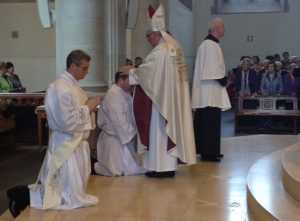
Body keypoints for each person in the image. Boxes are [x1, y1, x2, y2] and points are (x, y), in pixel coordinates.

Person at [129, 4, 196, 178]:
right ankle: (168, 166)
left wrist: (132, 73)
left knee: (158, 131)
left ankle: (161, 168)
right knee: (165, 131)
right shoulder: (175, 46)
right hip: (172, 98)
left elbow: (148, 73)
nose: (147, 39)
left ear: (157, 33)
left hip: (161, 100)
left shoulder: (160, 52)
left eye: (148, 35)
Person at [29, 50, 101, 210]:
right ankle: (66, 197)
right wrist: (88, 107)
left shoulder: (72, 85)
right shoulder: (60, 88)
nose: (87, 72)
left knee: (76, 179)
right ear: (73, 66)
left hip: (75, 141)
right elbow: (65, 122)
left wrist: (88, 106)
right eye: (84, 68)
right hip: (66, 141)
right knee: (66, 182)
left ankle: (74, 195)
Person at [191, 17, 231, 162]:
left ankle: (211, 150)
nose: (225, 29)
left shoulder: (210, 44)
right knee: (209, 122)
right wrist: (224, 80)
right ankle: (208, 153)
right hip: (208, 91)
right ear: (217, 28)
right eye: (223, 26)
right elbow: (211, 69)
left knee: (209, 122)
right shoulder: (209, 45)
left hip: (209, 91)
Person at [94, 66, 145, 176]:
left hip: (123, 139)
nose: (133, 84)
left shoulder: (125, 93)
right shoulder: (113, 95)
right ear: (121, 80)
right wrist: (137, 132)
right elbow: (119, 123)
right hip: (115, 143)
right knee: (119, 171)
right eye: (130, 80)